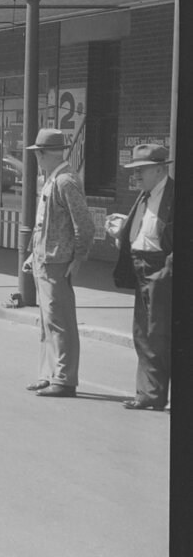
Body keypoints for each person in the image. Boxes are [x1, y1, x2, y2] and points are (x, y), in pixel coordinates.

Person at [21, 128, 95, 399]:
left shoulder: (65, 181)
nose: (36, 160)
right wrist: (33, 253)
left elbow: (84, 226)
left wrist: (78, 259)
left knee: (60, 320)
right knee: (47, 321)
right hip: (45, 258)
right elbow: (45, 224)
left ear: (43, 154)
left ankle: (64, 379)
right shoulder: (53, 179)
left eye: (37, 154)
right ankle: (48, 373)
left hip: (57, 261)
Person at [109, 143, 173, 410]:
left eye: (141, 170)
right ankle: (147, 394)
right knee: (142, 333)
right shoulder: (145, 195)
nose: (135, 176)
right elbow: (145, 231)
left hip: (161, 269)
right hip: (141, 267)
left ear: (159, 170)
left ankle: (154, 395)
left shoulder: (174, 195)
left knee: (158, 333)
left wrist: (166, 271)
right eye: (134, 170)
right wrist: (121, 234)